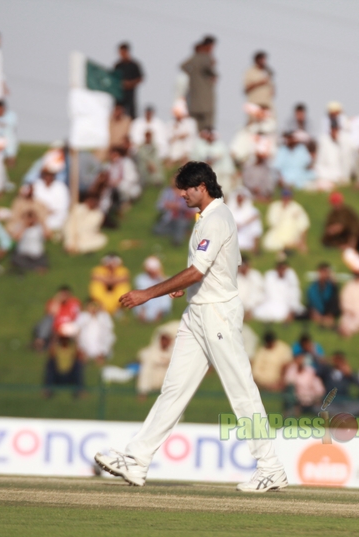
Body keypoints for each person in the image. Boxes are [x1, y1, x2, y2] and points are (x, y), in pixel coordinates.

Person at [104, 162, 288, 491]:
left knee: (240, 389)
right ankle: (136, 461)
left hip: (217, 313)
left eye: (185, 189)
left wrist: (148, 292)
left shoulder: (217, 218)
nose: (181, 195)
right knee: (174, 389)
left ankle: (271, 467)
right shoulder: (208, 218)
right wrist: (186, 287)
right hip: (197, 311)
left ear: (201, 186)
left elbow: (200, 271)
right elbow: (220, 266)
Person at [180, 36, 218, 131]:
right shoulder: (206, 58)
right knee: (208, 123)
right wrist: (213, 74)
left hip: (194, 98)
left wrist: (192, 74)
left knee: (195, 125)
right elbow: (208, 69)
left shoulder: (194, 58)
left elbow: (183, 66)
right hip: (206, 98)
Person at [251, 258, 304, 323]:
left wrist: (291, 311)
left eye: (283, 269)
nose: (281, 271)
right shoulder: (270, 276)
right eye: (280, 268)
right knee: (258, 312)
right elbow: (265, 293)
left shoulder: (291, 277)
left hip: (286, 305)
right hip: (270, 304)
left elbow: (294, 296)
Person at [43, 324, 85, 398]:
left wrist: (76, 338)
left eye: (66, 338)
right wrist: (56, 336)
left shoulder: (72, 348)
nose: (64, 340)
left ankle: (79, 390)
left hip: (70, 375)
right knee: (50, 363)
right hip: (58, 375)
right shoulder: (57, 348)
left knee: (78, 364)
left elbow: (80, 356)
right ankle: (48, 390)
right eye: (63, 338)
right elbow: (51, 353)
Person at [137, 325, 177, 400]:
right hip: (154, 378)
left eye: (167, 340)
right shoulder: (153, 350)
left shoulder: (173, 351)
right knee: (146, 368)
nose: (165, 342)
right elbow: (142, 355)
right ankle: (143, 392)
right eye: (163, 340)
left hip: (165, 378)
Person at [154, 175, 196, 245]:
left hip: (182, 217)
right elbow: (158, 205)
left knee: (180, 226)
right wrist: (167, 206)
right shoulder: (167, 191)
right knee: (157, 230)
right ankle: (182, 232)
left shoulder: (187, 192)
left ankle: (177, 240)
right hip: (169, 217)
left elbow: (193, 209)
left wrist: (180, 207)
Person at [133, 256, 172, 323]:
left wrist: (160, 275)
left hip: (158, 304)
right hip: (146, 305)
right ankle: (142, 316)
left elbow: (168, 286)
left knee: (165, 295)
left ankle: (159, 315)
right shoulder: (141, 279)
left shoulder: (164, 279)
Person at [75, 299, 116, 364]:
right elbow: (77, 331)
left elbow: (109, 332)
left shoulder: (104, 316)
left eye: (95, 306)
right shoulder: (83, 316)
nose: (93, 308)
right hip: (85, 347)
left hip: (101, 347)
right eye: (91, 306)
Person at [32, 166, 70, 233]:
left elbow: (64, 206)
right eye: (46, 175)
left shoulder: (61, 187)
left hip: (56, 217)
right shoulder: (37, 185)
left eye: (50, 175)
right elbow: (33, 202)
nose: (48, 177)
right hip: (39, 216)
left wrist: (51, 211)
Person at [114, 42, 144, 119]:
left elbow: (140, 78)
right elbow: (113, 78)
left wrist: (130, 83)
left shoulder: (134, 65)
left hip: (130, 94)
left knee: (131, 114)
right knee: (118, 112)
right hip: (119, 94)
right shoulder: (118, 65)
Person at [228, 189, 262, 253]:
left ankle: (255, 249)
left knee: (256, 224)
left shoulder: (250, 210)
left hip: (247, 234)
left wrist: (243, 224)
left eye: (241, 197)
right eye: (238, 197)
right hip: (233, 235)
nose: (240, 199)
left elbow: (256, 215)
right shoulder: (230, 209)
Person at [306, 262, 340, 328]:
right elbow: (310, 302)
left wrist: (334, 283)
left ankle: (327, 320)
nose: (323, 274)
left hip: (328, 311)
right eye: (322, 272)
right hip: (317, 312)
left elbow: (335, 300)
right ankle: (323, 321)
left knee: (335, 301)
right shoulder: (312, 287)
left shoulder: (331, 286)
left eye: (326, 272)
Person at [168, 99, 198, 165]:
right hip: (174, 156)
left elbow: (189, 137)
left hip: (186, 154)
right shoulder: (171, 124)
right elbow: (170, 139)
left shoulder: (190, 123)